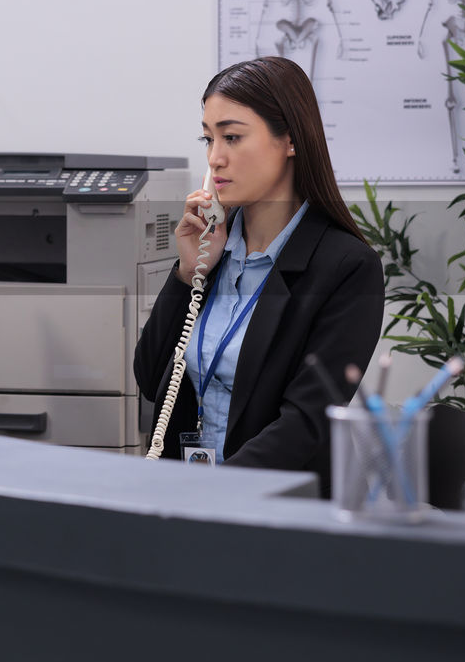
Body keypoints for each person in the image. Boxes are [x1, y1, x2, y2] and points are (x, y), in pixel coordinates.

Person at [134, 56, 384, 492]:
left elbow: (306, 423)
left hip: (273, 509)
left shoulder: (347, 268)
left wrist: (217, 494)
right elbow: (150, 375)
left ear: (289, 140)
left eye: (232, 137)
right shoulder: (212, 249)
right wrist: (187, 274)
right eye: (208, 138)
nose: (215, 158)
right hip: (184, 500)